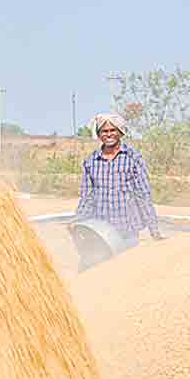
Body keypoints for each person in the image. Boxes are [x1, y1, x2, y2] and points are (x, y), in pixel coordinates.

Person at [73, 112, 162, 268]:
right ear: (99, 135)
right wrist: (78, 222)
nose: (109, 135)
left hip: (127, 231)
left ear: (120, 132)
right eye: (104, 131)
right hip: (100, 232)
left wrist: (154, 230)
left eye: (112, 130)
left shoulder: (133, 158)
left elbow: (143, 195)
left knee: (127, 274)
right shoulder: (91, 162)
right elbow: (87, 197)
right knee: (93, 272)